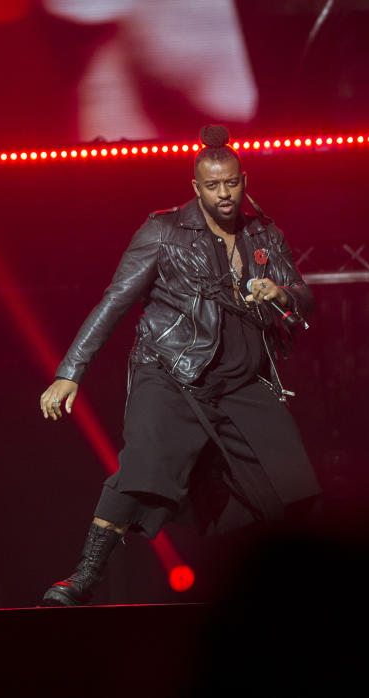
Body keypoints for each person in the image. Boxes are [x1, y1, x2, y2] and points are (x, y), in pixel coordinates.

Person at [39, 125, 321, 606]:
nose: (224, 194)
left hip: (241, 380)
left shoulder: (263, 233)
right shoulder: (164, 231)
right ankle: (83, 578)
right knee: (144, 467)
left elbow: (305, 299)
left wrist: (282, 294)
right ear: (196, 187)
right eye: (213, 186)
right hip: (172, 371)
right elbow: (115, 301)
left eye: (231, 183)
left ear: (243, 178)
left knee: (293, 485)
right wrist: (70, 371)